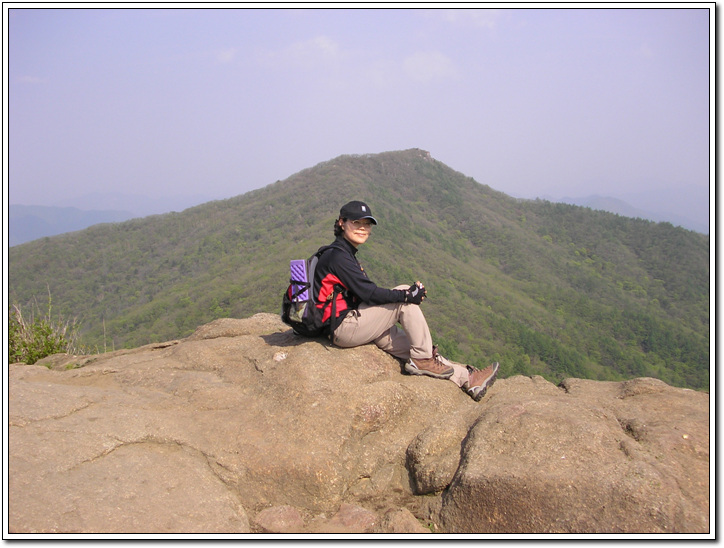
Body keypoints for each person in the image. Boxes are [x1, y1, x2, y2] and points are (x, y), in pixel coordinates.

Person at [313, 200, 499, 402]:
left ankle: (467, 379)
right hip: (343, 327)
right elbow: (369, 293)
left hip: (350, 322)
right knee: (403, 296)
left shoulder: (343, 253)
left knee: (412, 345)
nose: (362, 228)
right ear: (342, 223)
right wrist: (408, 295)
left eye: (367, 224)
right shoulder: (338, 257)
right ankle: (422, 359)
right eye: (356, 222)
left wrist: (405, 296)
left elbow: (364, 292)